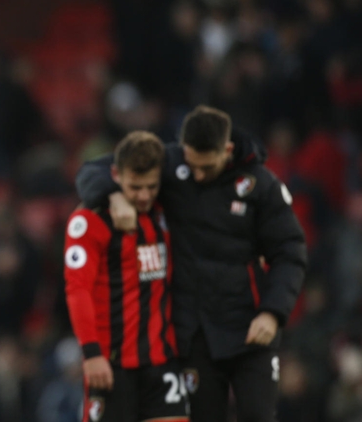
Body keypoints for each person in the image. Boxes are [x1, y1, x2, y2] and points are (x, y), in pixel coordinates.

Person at [76, 106, 307, 421]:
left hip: (251, 328)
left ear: (226, 150)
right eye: (191, 164)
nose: (197, 174)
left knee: (258, 416)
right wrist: (113, 196)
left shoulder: (260, 184)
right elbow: (94, 170)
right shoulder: (172, 163)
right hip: (195, 335)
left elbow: (289, 250)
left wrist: (273, 312)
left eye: (207, 167)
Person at [64, 130, 188, 422]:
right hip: (111, 364)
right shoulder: (89, 220)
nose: (144, 196)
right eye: (135, 187)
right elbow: (77, 289)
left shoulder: (165, 210)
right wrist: (92, 354)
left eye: (151, 186)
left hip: (162, 363)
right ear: (116, 175)